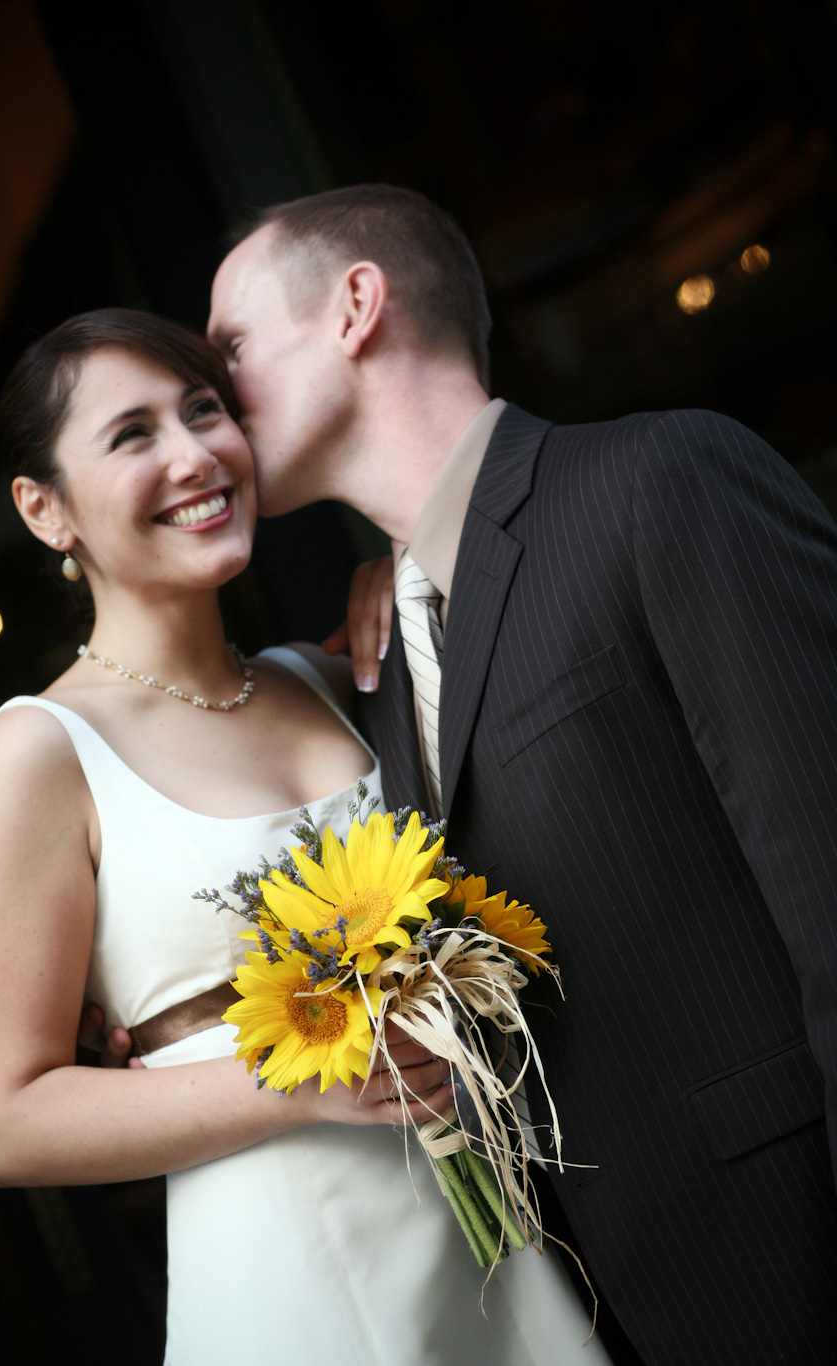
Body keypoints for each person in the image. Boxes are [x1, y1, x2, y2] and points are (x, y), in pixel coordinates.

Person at [199, 185, 837, 1365]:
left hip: (796, 1250)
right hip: (607, 1312)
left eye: (230, 347)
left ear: (355, 305)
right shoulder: (382, 661)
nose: (213, 403)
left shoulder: (661, 480)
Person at [0, 308, 609, 1365]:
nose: (194, 454)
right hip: (293, 1250)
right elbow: (3, 1122)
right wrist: (305, 1080)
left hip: (489, 1219)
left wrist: (402, 576)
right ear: (43, 508)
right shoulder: (40, 753)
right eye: (133, 435)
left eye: (204, 411)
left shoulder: (327, 673)